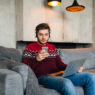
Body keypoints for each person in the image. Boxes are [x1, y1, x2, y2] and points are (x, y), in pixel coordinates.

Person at [22, 23, 95, 95]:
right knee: (66, 83)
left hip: (59, 74)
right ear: (36, 35)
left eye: (46, 34)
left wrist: (73, 68)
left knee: (90, 77)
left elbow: (60, 64)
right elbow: (25, 67)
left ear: (49, 35)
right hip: (43, 77)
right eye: (41, 34)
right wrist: (36, 59)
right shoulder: (30, 47)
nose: (44, 37)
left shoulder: (52, 47)